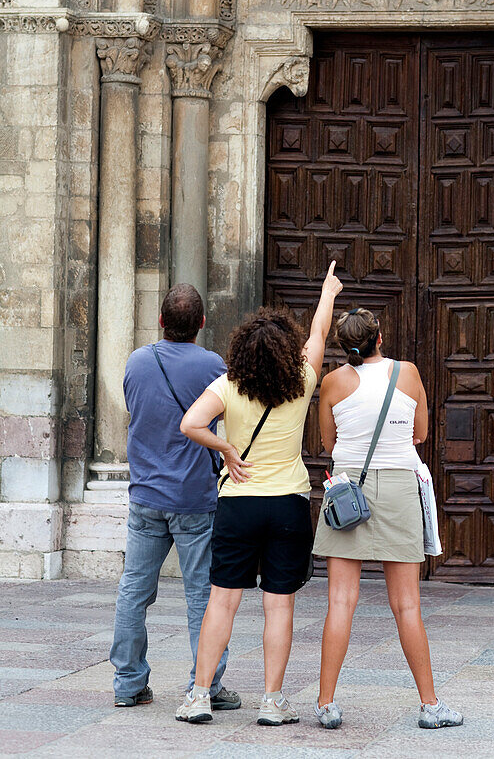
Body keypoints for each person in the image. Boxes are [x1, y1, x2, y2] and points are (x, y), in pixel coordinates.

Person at [175, 261, 343, 727]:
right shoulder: (302, 381)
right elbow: (319, 334)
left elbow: (189, 424)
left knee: (222, 600)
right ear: (286, 350)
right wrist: (327, 292)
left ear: (242, 350)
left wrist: (226, 446)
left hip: (238, 504)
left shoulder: (227, 385)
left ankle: (200, 695)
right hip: (287, 503)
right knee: (279, 604)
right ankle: (272, 701)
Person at [312, 308, 463, 730]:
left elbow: (329, 442)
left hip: (348, 492)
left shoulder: (332, 382)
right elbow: (422, 433)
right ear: (380, 338)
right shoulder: (408, 372)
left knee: (340, 601)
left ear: (344, 347)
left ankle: (326, 704)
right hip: (398, 485)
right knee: (407, 604)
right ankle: (430, 705)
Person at [109, 284, 240, 712]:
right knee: (203, 594)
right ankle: (206, 686)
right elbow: (221, 414)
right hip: (194, 496)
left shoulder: (137, 361)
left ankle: (128, 683)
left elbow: (136, 408)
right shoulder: (213, 366)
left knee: (133, 590)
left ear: (161, 321)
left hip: (145, 493)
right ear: (202, 323)